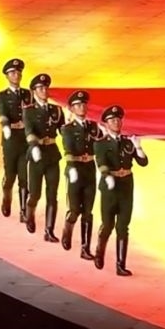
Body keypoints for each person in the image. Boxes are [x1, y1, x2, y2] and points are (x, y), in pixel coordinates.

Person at [93, 105, 149, 276]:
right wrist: (106, 176)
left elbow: (143, 163)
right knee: (108, 224)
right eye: (112, 120)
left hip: (126, 186)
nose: (116, 123)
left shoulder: (127, 142)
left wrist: (138, 147)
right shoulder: (101, 143)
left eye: (118, 120)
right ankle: (99, 251)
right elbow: (101, 162)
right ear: (106, 123)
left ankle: (120, 265)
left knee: (123, 226)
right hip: (110, 187)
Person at [60, 90, 104, 260]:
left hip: (89, 170)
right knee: (74, 210)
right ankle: (68, 228)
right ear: (72, 109)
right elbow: (68, 149)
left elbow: (102, 145)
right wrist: (72, 168)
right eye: (77, 105)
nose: (82, 107)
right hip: (75, 170)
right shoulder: (67, 129)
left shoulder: (94, 127)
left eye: (84, 104)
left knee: (88, 211)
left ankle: (85, 248)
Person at [23, 73, 66, 241]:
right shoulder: (29, 111)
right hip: (37, 155)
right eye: (40, 88)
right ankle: (29, 214)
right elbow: (29, 131)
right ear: (34, 91)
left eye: (45, 88)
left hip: (52, 155)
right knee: (35, 193)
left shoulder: (57, 110)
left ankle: (49, 230)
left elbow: (63, 131)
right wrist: (34, 146)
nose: (44, 90)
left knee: (52, 194)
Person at [0, 58, 31, 221]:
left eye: (18, 72)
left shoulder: (28, 94)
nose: (16, 75)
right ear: (7, 76)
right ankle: (6, 198)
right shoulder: (1, 96)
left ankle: (23, 210)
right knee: (10, 176)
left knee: (24, 176)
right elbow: (1, 113)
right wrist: (6, 126)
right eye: (13, 73)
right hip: (10, 142)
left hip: (25, 140)